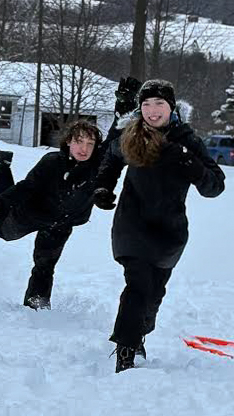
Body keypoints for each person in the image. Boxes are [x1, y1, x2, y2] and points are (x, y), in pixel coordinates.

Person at [94, 78, 226, 372]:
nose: (153, 111)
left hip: (169, 232)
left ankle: (139, 334)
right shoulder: (132, 135)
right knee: (138, 286)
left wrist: (186, 160)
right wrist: (103, 188)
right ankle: (125, 354)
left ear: (171, 107)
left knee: (153, 295)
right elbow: (111, 159)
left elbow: (214, 186)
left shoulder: (186, 140)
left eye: (159, 104)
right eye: (146, 105)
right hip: (131, 225)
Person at [0, 118, 106, 310]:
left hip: (61, 223)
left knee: (45, 264)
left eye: (90, 144)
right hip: (32, 212)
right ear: (68, 141)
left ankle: (37, 304)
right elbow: (25, 188)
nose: (83, 148)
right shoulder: (51, 162)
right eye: (79, 141)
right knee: (5, 234)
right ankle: (0, 167)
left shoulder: (99, 168)